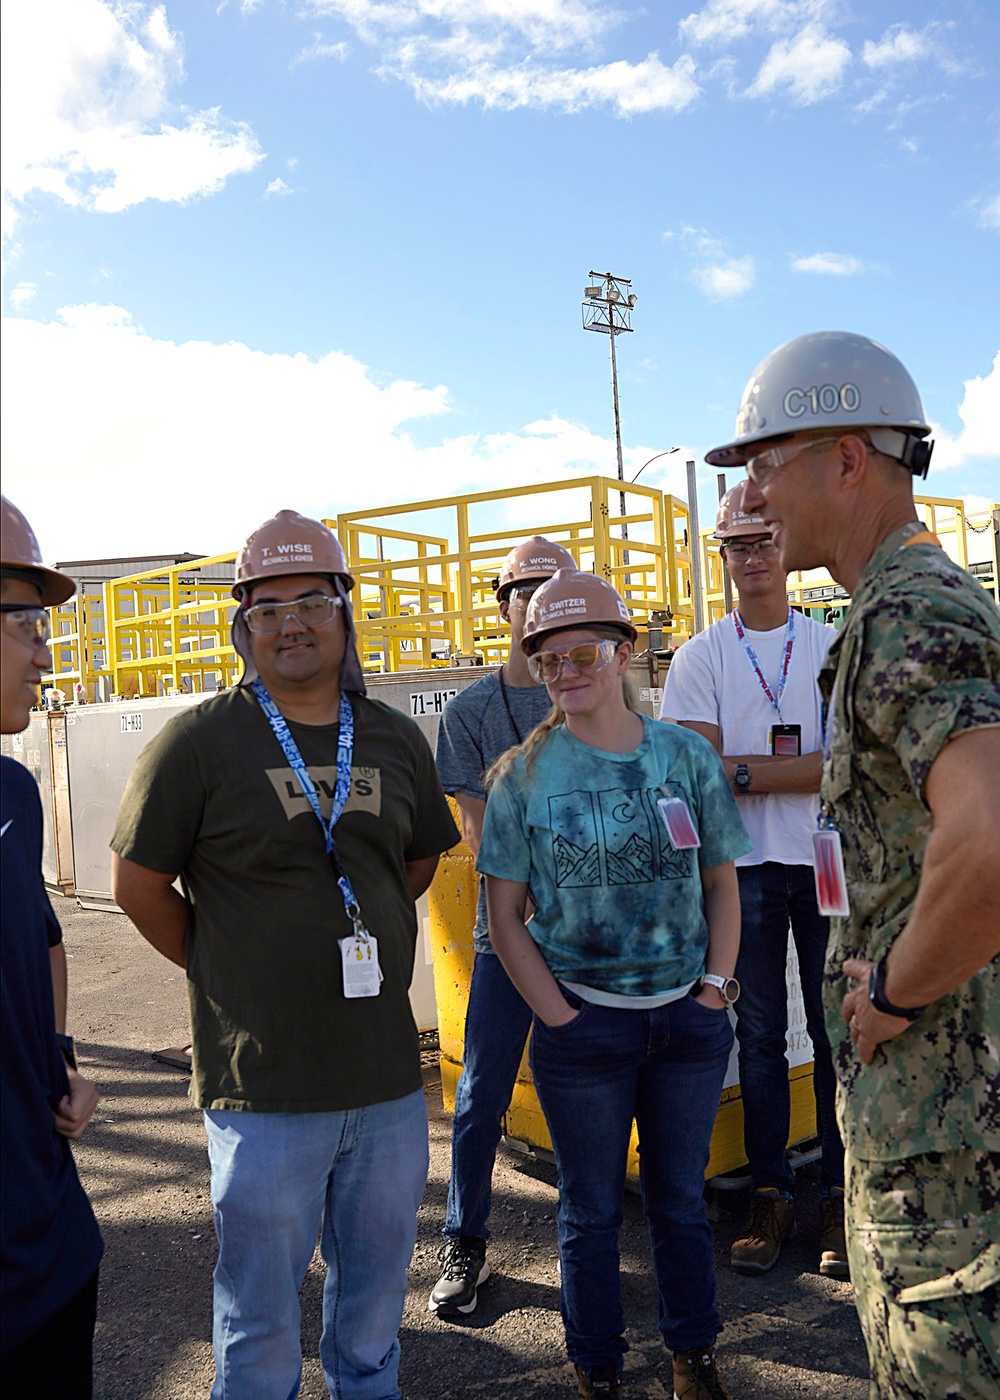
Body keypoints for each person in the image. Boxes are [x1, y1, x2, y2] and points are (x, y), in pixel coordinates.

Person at [707, 330, 1000, 1398]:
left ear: (845, 456)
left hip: (949, 1149)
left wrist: (889, 987)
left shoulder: (908, 608)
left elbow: (992, 841)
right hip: (934, 1128)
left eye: (763, 461)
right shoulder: (891, 605)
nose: (750, 494)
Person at [110, 509, 459, 1400]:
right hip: (262, 1088)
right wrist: (229, 967)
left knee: (376, 1305)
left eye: (311, 601)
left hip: (384, 1085)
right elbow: (139, 887)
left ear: (344, 613)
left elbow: (411, 865)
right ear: (243, 627)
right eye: (266, 609)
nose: (290, 623)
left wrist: (347, 924)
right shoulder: (198, 742)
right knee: (260, 1318)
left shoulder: (389, 736)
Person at [477, 568, 752, 1400]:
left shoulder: (684, 756)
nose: (566, 673)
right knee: (590, 1213)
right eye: (548, 661)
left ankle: (692, 1357)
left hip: (686, 1024)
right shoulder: (522, 777)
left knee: (678, 1202)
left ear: (624, 651)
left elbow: (721, 885)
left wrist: (715, 991)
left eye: (583, 653)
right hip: (583, 1031)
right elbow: (505, 916)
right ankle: (598, 1367)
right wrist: (558, 1016)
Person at [660, 482, 845, 1278]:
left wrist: (746, 770)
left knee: (841, 1032)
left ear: (785, 544)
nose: (754, 556)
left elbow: (843, 765)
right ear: (724, 556)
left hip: (828, 862)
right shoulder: (704, 655)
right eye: (738, 545)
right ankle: (771, 1192)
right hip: (748, 870)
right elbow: (695, 772)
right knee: (761, 1034)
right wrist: (790, 771)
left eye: (765, 539)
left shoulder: (829, 646)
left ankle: (839, 1194)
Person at [429, 536, 576, 1316]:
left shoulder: (592, 699)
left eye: (554, 589)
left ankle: (587, 1247)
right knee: (482, 1095)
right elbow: (485, 840)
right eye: (525, 590)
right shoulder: (473, 713)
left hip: (592, 945)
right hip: (508, 941)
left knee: (588, 1092)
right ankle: (465, 1243)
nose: (538, 603)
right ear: (503, 606)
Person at [1, 496, 103, 1398]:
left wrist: (61, 1060)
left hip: (49, 1243)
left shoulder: (12, 794)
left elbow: (43, 942)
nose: (45, 651)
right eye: (26, 623)